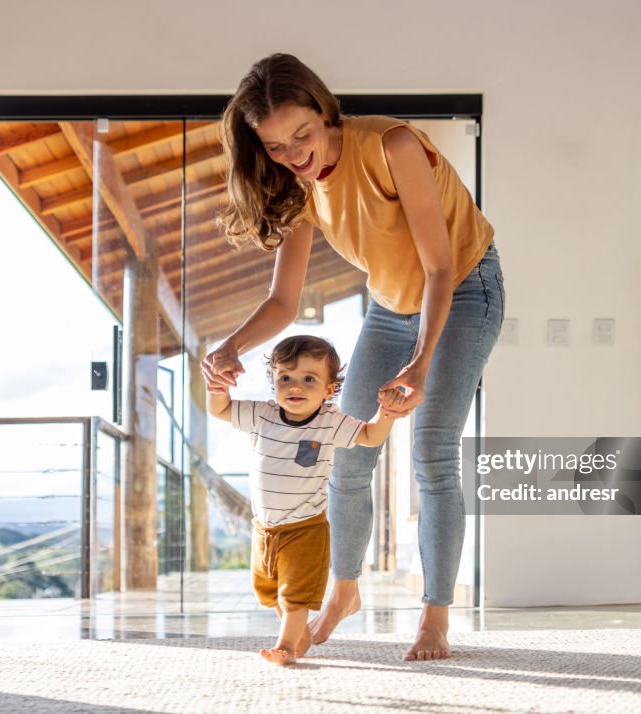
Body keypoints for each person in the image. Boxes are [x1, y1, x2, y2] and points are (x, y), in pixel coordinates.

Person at [201, 53, 504, 662]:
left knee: (433, 454)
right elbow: (284, 301)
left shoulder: (392, 145)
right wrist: (231, 346)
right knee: (347, 453)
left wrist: (419, 364)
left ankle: (435, 617)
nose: (294, 154)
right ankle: (342, 592)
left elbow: (441, 267)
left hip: (465, 289)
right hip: (391, 307)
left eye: (302, 135)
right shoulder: (298, 186)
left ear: (325, 110)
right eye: (277, 146)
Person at [207, 335, 401, 666]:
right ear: (274, 382)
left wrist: (388, 414)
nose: (295, 386)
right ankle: (299, 634)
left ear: (328, 389)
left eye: (309, 379)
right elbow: (221, 410)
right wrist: (217, 388)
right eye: (285, 378)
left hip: (305, 528)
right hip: (264, 529)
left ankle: (286, 646)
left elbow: (370, 436)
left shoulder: (330, 421)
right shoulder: (262, 414)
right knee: (271, 593)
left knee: (295, 594)